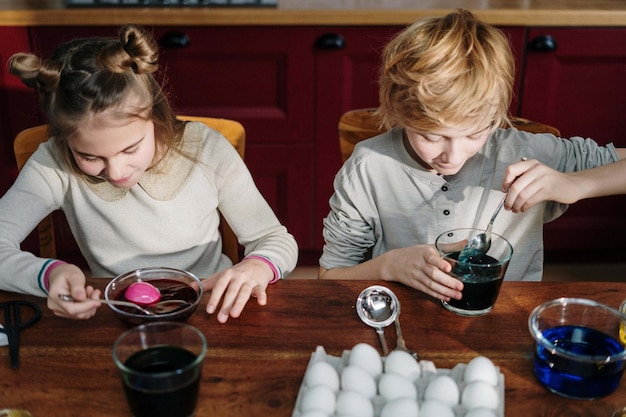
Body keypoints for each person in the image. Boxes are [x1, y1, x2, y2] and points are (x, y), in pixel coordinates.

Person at [319, 9, 626, 303]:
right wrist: (388, 267)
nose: (452, 156)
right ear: (399, 112)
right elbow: (330, 278)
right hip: (404, 321)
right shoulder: (368, 167)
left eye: (474, 135)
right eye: (431, 136)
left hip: (507, 321)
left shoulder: (524, 152)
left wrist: (576, 184)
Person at [2, 24, 298, 323]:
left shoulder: (205, 149)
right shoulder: (53, 163)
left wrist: (258, 266)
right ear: (67, 141)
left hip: (211, 308)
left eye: (130, 149)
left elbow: (274, 239)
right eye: (89, 156)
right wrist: (48, 274)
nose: (116, 172)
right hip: (118, 313)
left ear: (155, 117)